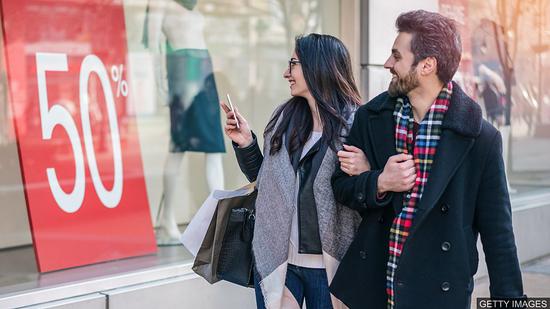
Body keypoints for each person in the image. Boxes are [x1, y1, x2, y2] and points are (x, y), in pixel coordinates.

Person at [329, 10, 524, 309]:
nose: (387, 64)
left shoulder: (480, 139)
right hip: (373, 287)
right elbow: (340, 186)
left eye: (397, 56)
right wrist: (379, 181)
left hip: (439, 293)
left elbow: (498, 234)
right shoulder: (372, 117)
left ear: (427, 65)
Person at [221, 33, 363, 309]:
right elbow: (266, 183)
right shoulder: (284, 119)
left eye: (293, 63)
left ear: (317, 66)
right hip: (279, 261)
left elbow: (366, 193)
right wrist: (247, 142)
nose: (287, 73)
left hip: (332, 265)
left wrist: (366, 170)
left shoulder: (357, 124)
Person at [143, 0, 226, 244]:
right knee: (178, 145)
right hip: (182, 68)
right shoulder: (160, 3)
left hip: (204, 68)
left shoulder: (192, 7)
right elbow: (153, 47)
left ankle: (217, 221)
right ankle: (167, 220)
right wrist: (159, 83)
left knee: (214, 146)